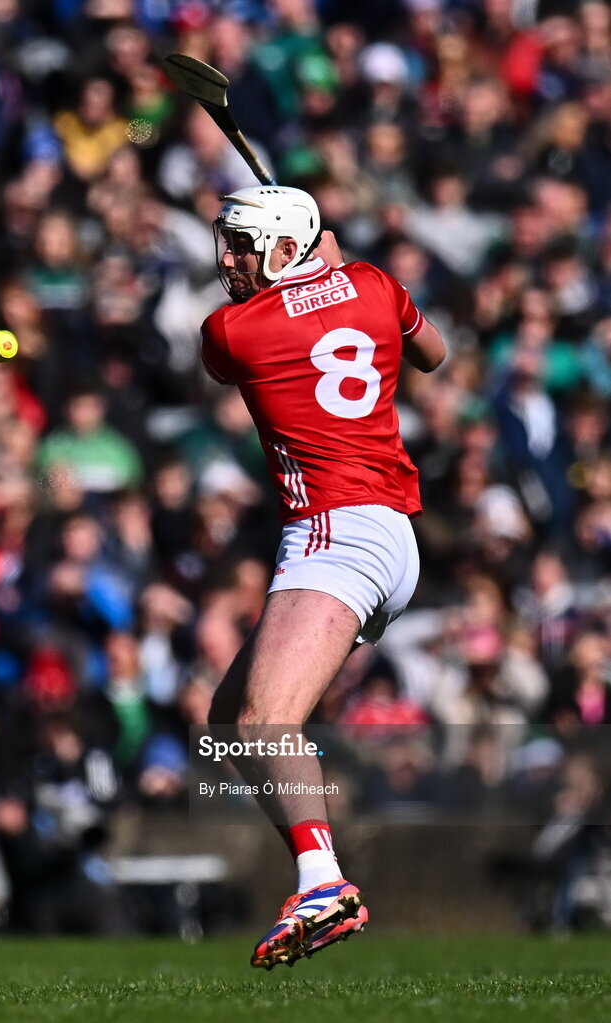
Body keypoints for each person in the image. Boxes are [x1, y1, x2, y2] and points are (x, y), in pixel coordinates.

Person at [201, 185, 445, 968]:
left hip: (335, 528)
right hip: (387, 531)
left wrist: (314, 270)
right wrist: (333, 269)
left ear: (280, 248)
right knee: (227, 719)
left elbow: (239, 345)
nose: (226, 259)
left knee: (265, 720)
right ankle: (317, 874)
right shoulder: (375, 285)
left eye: (241, 245)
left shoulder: (234, 330)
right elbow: (434, 352)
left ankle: (322, 881)